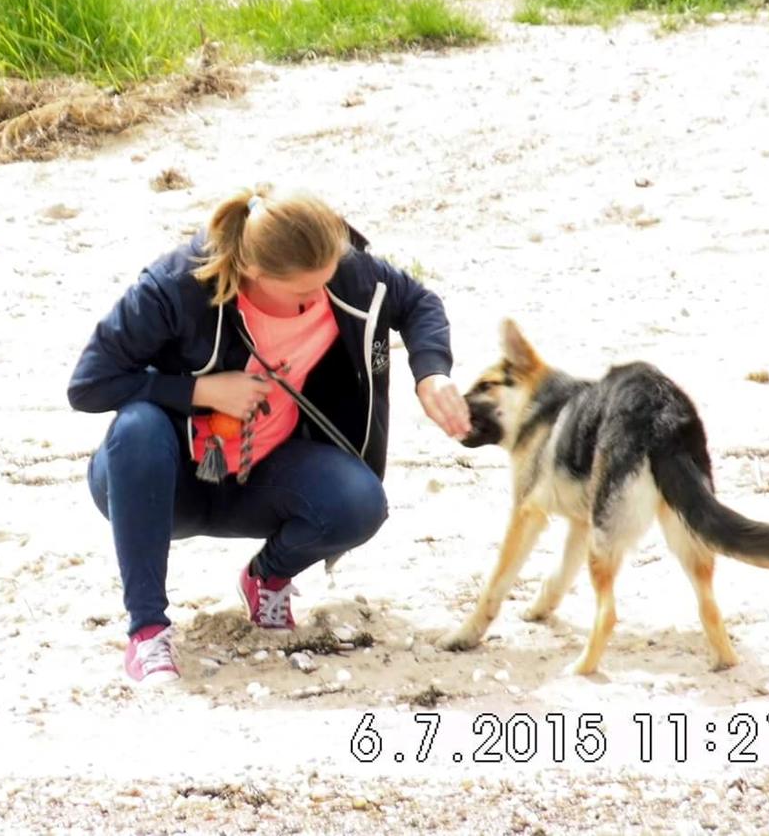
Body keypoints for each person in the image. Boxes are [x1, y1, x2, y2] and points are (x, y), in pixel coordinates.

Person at [68, 185, 470, 683]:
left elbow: (418, 302)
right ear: (254, 272)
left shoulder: (342, 273)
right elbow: (88, 385)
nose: (320, 298)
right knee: (137, 427)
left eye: (326, 283)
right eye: (303, 293)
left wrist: (432, 374)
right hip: (160, 487)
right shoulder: (175, 285)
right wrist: (200, 391)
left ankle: (267, 577)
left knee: (361, 503)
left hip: (264, 475)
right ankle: (147, 630)